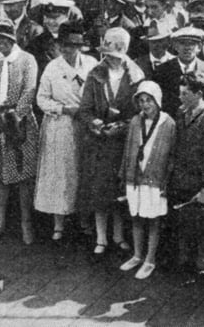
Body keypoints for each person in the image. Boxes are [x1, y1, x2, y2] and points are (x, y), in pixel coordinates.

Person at [78, 27, 144, 256]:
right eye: (106, 54)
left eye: (114, 55)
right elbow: (84, 109)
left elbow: (140, 111)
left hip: (124, 143)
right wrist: (95, 123)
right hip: (100, 142)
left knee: (120, 190)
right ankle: (101, 237)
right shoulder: (95, 73)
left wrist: (123, 126)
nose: (109, 59)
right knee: (99, 190)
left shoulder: (136, 75)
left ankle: (118, 235)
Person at [34, 22, 98, 239]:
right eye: (65, 45)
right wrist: (63, 109)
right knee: (60, 173)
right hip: (60, 125)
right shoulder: (52, 67)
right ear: (59, 46)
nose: (70, 50)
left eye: (74, 45)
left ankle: (84, 220)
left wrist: (87, 112)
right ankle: (58, 223)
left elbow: (100, 93)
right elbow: (41, 99)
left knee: (84, 171)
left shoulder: (91, 64)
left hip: (86, 125)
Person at [0, 19, 40, 244]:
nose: (1, 44)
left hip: (20, 124)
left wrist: (14, 118)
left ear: (13, 40)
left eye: (6, 39)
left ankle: (26, 223)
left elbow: (29, 91)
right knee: (0, 177)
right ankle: (0, 221)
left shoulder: (27, 60)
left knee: (23, 176)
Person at [119, 80, 176, 280]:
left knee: (153, 219)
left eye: (149, 100)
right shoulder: (136, 121)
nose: (145, 105)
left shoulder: (168, 123)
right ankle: (137, 254)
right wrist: (124, 174)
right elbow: (128, 150)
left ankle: (150, 259)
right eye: (141, 101)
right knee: (136, 216)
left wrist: (166, 182)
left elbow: (171, 156)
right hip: (135, 177)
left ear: (157, 101)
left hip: (155, 180)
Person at [168, 72, 204, 278]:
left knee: (200, 225)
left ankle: (199, 266)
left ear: (199, 94)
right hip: (180, 178)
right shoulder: (181, 112)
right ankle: (183, 263)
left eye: (185, 93)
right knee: (182, 223)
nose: (180, 97)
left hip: (197, 182)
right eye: (180, 93)